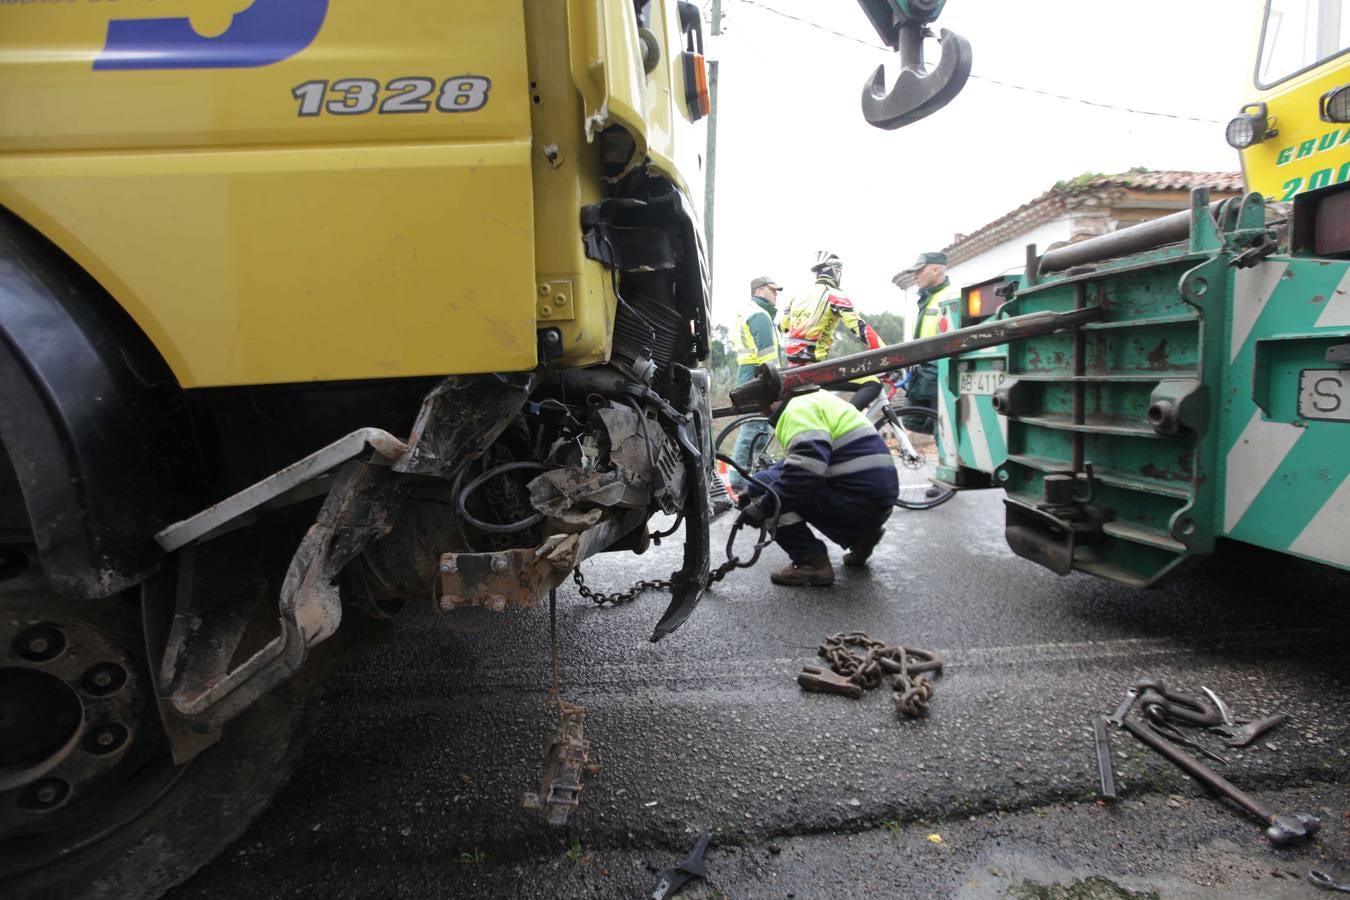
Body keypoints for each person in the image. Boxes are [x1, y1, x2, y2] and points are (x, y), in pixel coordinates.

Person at [736, 387, 898, 586]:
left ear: (774, 400)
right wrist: (752, 490)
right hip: (876, 506)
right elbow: (800, 462)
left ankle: (811, 561)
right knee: (764, 483)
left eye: (763, 407)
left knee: (762, 485)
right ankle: (861, 536)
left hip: (857, 504)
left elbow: (805, 474)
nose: (764, 413)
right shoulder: (816, 400)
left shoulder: (796, 411)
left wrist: (761, 506)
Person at [728, 275, 783, 493]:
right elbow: (768, 356)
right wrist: (777, 382)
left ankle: (757, 471)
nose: (776, 294)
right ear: (759, 291)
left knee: (761, 426)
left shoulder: (750, 311)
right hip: (759, 373)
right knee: (753, 427)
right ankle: (739, 480)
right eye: (773, 289)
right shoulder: (759, 315)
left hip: (751, 372)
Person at [779, 251, 883, 368]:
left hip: (792, 364)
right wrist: (887, 354)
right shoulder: (835, 295)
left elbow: (782, 326)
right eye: (839, 270)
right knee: (873, 383)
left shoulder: (797, 296)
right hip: (813, 366)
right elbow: (861, 328)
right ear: (833, 270)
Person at [895, 250, 958, 432]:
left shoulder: (951, 296)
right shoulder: (926, 300)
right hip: (922, 373)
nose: (915, 276)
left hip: (939, 374)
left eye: (919, 271)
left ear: (936, 270)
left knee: (942, 427)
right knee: (912, 420)